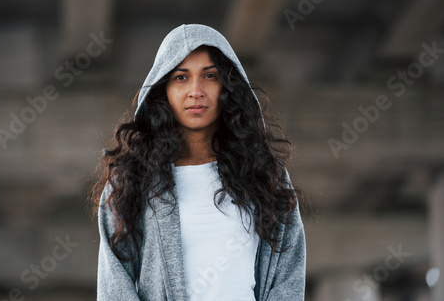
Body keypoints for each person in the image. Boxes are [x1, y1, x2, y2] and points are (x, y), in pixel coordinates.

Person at [89, 24, 306, 301]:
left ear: (227, 86)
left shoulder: (265, 175)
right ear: (163, 88)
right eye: (181, 77)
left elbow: (289, 273)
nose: (196, 90)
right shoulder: (131, 179)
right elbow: (114, 284)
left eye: (210, 76)